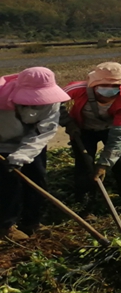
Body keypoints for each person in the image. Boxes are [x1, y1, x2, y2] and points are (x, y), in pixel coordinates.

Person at [62, 62, 121, 215]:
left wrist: (104, 164)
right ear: (94, 83)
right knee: (84, 165)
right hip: (83, 130)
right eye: (104, 85)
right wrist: (67, 122)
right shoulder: (77, 89)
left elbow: (119, 135)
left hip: (111, 129)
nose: (109, 89)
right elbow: (52, 102)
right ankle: (85, 207)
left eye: (114, 86)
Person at [0, 67, 69, 241]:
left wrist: (21, 156)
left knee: (37, 178)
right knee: (8, 184)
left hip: (32, 144)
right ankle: (7, 226)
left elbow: (44, 132)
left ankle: (32, 221)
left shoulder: (52, 101)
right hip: (2, 144)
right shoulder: (1, 98)